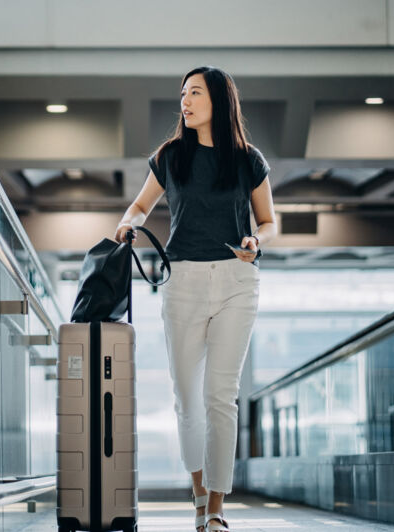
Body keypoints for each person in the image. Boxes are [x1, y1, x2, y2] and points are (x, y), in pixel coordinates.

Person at [114, 66, 276, 532]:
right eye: (182, 94)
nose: (184, 102)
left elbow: (267, 221)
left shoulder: (247, 159)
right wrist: (128, 222)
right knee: (188, 400)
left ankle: (217, 511)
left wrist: (256, 241)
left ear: (219, 102)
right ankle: (200, 495)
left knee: (220, 398)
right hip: (181, 281)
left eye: (195, 93)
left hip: (236, 282)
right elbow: (142, 205)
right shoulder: (170, 155)